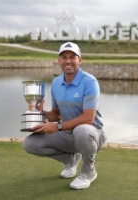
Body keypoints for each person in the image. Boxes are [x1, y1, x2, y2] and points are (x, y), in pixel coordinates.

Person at [23, 42, 106, 190]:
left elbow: (88, 118)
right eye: (64, 57)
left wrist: (56, 127)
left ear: (79, 60)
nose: (68, 61)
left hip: (92, 134)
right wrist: (41, 113)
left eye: (72, 57)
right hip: (68, 133)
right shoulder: (56, 83)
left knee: (82, 130)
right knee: (30, 143)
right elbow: (56, 114)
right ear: (59, 61)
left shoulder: (89, 82)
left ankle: (88, 171)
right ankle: (71, 159)